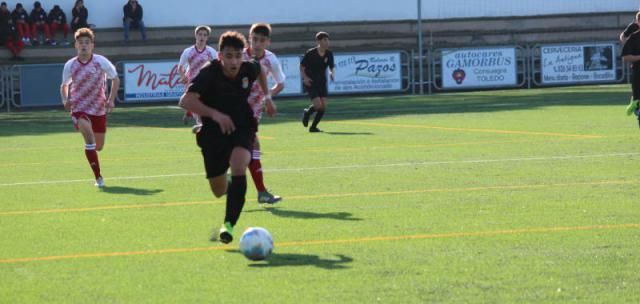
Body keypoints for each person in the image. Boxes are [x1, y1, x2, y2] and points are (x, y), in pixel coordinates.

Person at [179, 31, 275, 244]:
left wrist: (267, 97)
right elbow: (185, 101)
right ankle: (231, 184)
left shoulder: (248, 67)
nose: (234, 61)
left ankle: (228, 226)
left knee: (239, 164)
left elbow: (261, 70)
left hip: (241, 126)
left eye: (238, 56)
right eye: (229, 56)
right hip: (213, 133)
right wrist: (214, 114)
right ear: (220, 55)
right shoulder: (209, 73)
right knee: (218, 190)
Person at [60, 28, 120, 187]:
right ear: (76, 45)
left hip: (99, 108)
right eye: (80, 43)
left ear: (92, 45)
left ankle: (93, 157)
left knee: (98, 147)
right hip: (79, 108)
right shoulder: (70, 65)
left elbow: (115, 79)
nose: (84, 46)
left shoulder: (101, 61)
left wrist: (111, 99)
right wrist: (65, 99)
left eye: (87, 43)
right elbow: (64, 85)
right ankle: (98, 178)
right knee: (90, 141)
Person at [243, 23, 284, 204]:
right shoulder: (239, 55)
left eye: (261, 40)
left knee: (249, 148)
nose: (257, 43)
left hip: (255, 110)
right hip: (237, 107)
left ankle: (232, 177)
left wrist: (267, 98)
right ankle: (260, 191)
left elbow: (280, 83)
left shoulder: (271, 60)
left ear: (268, 42)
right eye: (254, 39)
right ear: (249, 38)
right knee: (253, 146)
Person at [178, 25, 217, 129]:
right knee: (194, 105)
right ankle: (197, 121)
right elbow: (180, 67)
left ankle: (197, 121)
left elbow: (218, 66)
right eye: (200, 34)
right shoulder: (188, 51)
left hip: (206, 84)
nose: (202, 37)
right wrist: (183, 77)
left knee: (204, 105)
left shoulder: (211, 52)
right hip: (192, 83)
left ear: (207, 37)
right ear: (195, 35)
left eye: (204, 35)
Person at [300, 31, 335, 132]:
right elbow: (302, 67)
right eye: (325, 40)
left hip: (322, 82)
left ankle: (313, 127)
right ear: (319, 41)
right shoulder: (311, 53)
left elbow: (331, 67)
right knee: (318, 105)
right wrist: (305, 78)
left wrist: (332, 73)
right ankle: (307, 113)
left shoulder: (329, 53)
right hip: (311, 81)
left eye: (328, 40)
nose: (327, 42)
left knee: (323, 107)